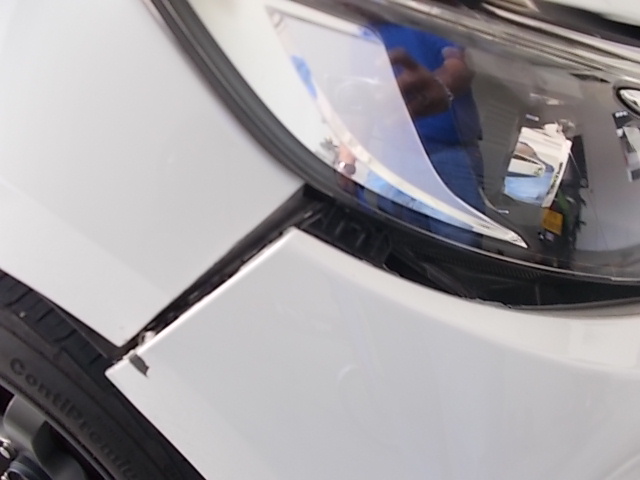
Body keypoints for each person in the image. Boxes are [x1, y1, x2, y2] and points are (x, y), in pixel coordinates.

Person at [338, 23, 485, 247]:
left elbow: (458, 67)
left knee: (457, 247)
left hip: (448, 156)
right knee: (379, 242)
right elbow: (363, 104)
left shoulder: (425, 19)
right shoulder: (364, 37)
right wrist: (347, 161)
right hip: (391, 157)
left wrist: (440, 86)